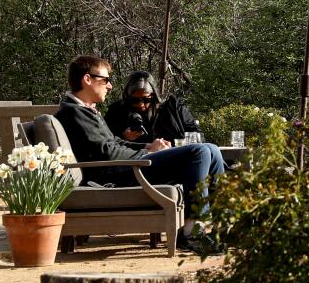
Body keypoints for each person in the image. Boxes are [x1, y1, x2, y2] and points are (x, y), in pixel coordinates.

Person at [58, 55, 226, 228]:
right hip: (118, 175)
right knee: (199, 151)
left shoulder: (84, 110)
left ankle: (220, 221)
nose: (110, 86)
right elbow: (108, 152)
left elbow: (113, 143)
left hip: (126, 167)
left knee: (210, 148)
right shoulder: (74, 113)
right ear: (87, 79)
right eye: (105, 80)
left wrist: (148, 145)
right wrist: (149, 153)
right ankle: (194, 228)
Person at [104, 71, 199, 145]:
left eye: (146, 100)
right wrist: (123, 136)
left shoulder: (173, 106)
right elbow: (105, 142)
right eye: (135, 100)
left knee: (210, 149)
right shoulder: (117, 111)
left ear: (153, 96)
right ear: (127, 97)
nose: (141, 105)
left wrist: (174, 145)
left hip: (178, 156)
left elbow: (195, 135)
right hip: (140, 161)